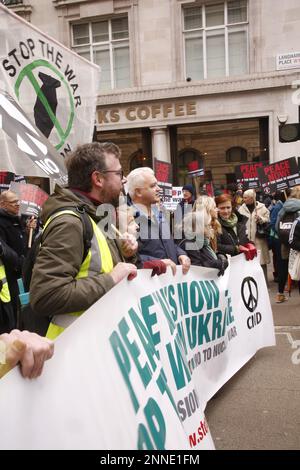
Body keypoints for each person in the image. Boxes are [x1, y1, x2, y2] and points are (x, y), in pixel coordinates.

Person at [30, 142, 138, 339]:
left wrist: (128, 257)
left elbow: (101, 270)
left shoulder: (96, 216)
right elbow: (46, 295)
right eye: (119, 173)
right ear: (98, 178)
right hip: (75, 348)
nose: (123, 181)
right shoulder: (69, 222)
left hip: (99, 342)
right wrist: (111, 279)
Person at [126, 167, 191, 275]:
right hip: (149, 286)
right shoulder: (126, 219)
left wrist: (180, 254)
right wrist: (158, 263)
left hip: (169, 283)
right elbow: (128, 257)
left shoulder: (159, 213)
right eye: (153, 186)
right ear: (138, 192)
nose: (159, 189)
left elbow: (169, 242)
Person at [0, 190, 36, 330]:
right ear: (3, 204)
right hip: (10, 277)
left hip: (22, 272)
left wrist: (28, 231)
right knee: (14, 310)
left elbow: (24, 244)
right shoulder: (1, 223)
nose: (18, 205)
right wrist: (20, 264)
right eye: (14, 202)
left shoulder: (17, 219)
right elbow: (4, 250)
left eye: (18, 201)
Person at [177, 209, 228, 275]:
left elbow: (209, 256)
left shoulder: (204, 242)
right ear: (198, 228)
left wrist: (221, 256)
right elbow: (198, 268)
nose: (210, 228)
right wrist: (219, 263)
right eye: (207, 225)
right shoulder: (189, 244)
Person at [239, 189, 270, 285]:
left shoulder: (262, 207)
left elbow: (268, 219)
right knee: (248, 261)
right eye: (243, 197)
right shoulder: (241, 209)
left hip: (259, 238)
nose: (243, 199)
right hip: (246, 239)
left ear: (252, 198)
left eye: (245, 197)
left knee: (261, 262)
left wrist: (261, 219)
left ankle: (264, 283)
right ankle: (252, 283)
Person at [275, 186, 300, 302]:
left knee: (283, 268)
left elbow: (276, 227)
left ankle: (280, 294)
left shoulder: (283, 208)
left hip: (284, 243)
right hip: (298, 244)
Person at [215, 193, 256, 259]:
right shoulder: (215, 224)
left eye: (228, 207)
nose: (226, 211)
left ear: (232, 207)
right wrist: (236, 249)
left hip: (243, 261)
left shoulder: (240, 221)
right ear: (217, 209)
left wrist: (250, 244)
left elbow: (243, 239)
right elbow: (216, 246)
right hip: (228, 263)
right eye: (222, 208)